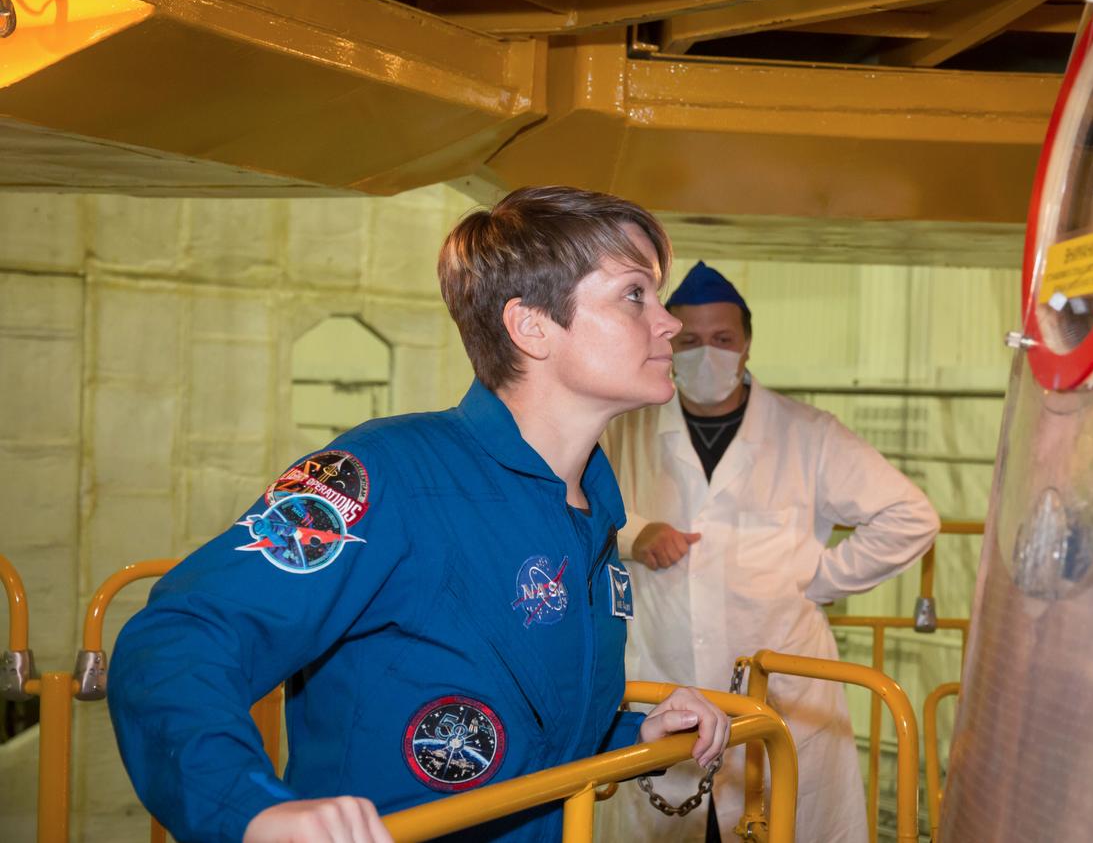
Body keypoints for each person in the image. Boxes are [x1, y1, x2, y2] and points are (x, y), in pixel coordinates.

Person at [107, 187, 732, 843]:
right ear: (532, 326)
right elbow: (178, 639)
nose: (668, 324)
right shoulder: (387, 474)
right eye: (635, 294)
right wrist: (251, 808)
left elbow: (527, 713)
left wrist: (632, 735)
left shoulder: (591, 508)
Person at [597, 261, 940, 842]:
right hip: (664, 676)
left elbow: (910, 515)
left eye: (723, 339)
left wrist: (820, 580)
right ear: (668, 342)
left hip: (781, 684)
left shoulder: (808, 432)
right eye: (690, 340)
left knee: (781, 821)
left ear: (747, 344)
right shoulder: (626, 430)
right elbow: (575, 507)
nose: (707, 354)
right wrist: (636, 536)